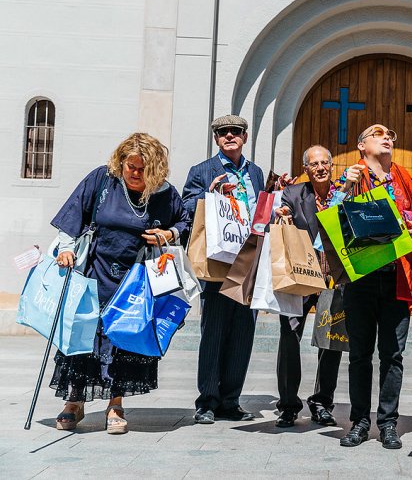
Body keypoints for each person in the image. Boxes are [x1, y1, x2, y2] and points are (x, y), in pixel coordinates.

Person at [50, 133, 190, 434]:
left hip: (136, 279)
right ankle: (74, 402)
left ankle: (115, 404)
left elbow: (184, 221)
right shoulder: (103, 180)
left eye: (143, 169)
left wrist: (168, 234)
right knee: (84, 338)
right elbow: (74, 213)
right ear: (121, 163)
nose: (136, 174)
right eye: (131, 167)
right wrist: (65, 248)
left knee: (123, 340)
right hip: (95, 272)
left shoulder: (164, 193)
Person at [335, 124, 412, 450]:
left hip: (397, 278)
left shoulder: (408, 180)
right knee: (360, 355)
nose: (387, 136)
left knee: (393, 355)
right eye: (377, 134)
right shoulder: (349, 176)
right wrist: (346, 189)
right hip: (361, 278)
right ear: (362, 146)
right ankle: (359, 422)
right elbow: (330, 216)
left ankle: (388, 423)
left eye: (390, 134)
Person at [182, 114, 265, 424]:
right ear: (216, 138)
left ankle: (230, 400)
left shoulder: (255, 172)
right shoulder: (203, 171)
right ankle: (207, 401)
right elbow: (185, 207)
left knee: (243, 331)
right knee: (214, 332)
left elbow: (260, 212)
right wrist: (210, 194)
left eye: (236, 132)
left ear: (244, 137)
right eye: (223, 132)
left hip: (249, 261)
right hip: (219, 260)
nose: (230, 136)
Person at [273, 145, 344, 428]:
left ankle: (322, 402)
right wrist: (282, 213)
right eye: (313, 163)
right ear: (306, 169)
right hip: (300, 275)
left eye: (324, 162)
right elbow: (283, 209)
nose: (320, 167)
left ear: (331, 165)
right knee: (289, 336)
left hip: (333, 277)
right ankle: (288, 405)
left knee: (331, 341)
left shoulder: (344, 193)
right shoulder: (294, 192)